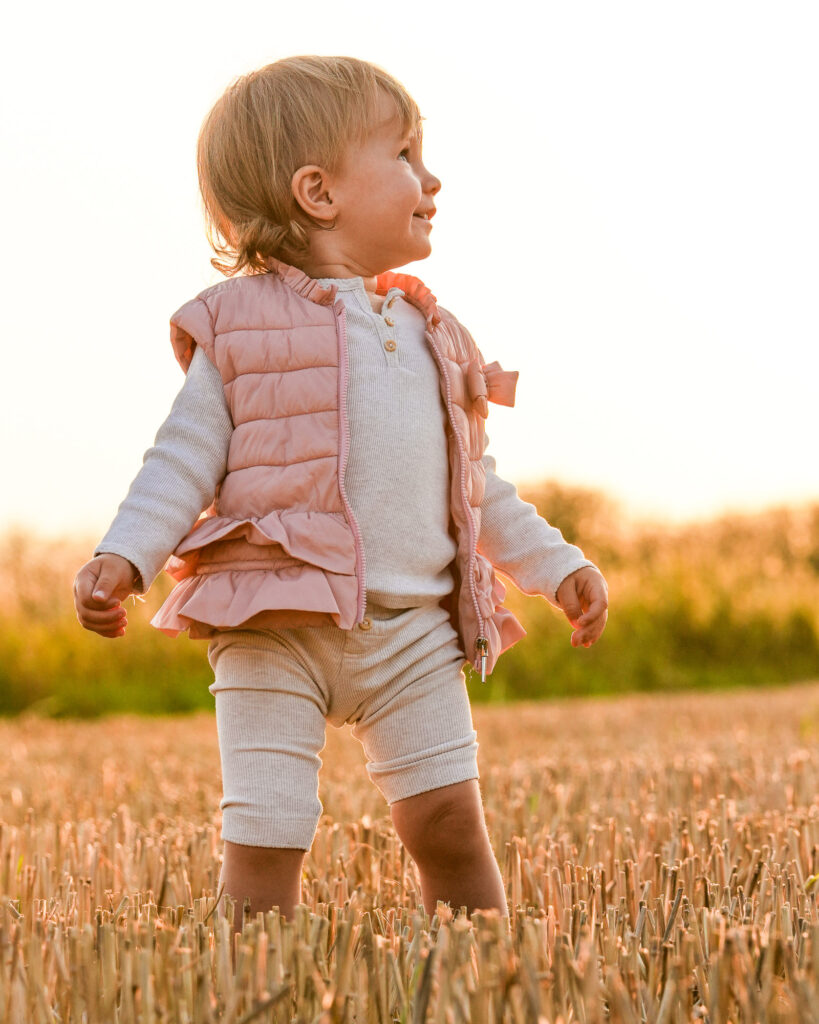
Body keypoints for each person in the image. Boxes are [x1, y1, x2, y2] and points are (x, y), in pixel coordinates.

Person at [73, 56, 608, 926]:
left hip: (412, 634)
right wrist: (124, 557)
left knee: (448, 827)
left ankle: (486, 977)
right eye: (403, 155)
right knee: (267, 835)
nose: (430, 178)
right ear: (318, 192)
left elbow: (474, 486)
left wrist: (556, 567)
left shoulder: (437, 333)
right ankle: (251, 983)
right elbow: (180, 460)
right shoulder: (238, 326)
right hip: (273, 626)